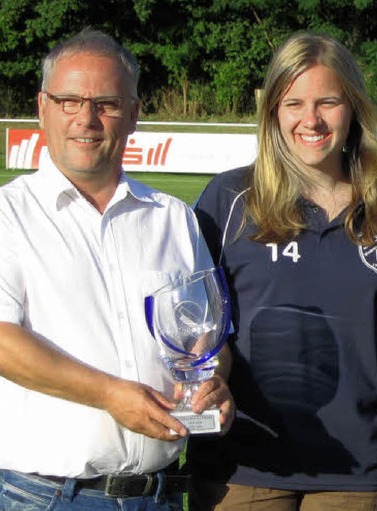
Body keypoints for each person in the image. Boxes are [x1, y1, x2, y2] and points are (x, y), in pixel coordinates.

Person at [188, 31, 377, 511]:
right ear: (274, 110)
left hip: (353, 470)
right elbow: (199, 326)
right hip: (242, 466)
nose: (310, 119)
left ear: (353, 106)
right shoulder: (228, 200)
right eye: (294, 102)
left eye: (328, 102)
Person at [0, 29, 234, 511]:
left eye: (105, 103)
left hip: (162, 493)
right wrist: (110, 395)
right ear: (42, 107)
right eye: (69, 101)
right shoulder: (9, 214)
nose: (86, 119)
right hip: (46, 496)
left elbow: (205, 334)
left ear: (133, 113)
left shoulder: (172, 216)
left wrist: (213, 382)